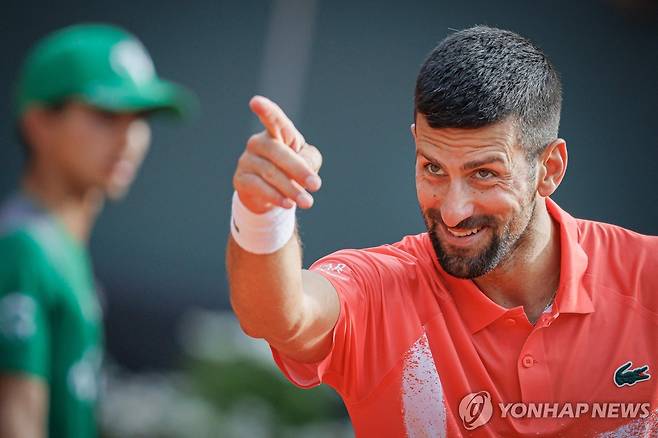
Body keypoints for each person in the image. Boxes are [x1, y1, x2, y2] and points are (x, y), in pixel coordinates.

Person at [227, 26, 658, 437]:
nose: (453, 212)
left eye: (484, 174)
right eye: (433, 168)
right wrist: (263, 212)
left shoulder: (647, 277)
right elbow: (279, 317)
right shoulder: (382, 288)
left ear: (550, 169)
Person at [0, 23, 193, 437]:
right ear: (39, 123)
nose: (130, 139)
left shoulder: (62, 247)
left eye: (141, 117)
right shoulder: (22, 251)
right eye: (106, 115)